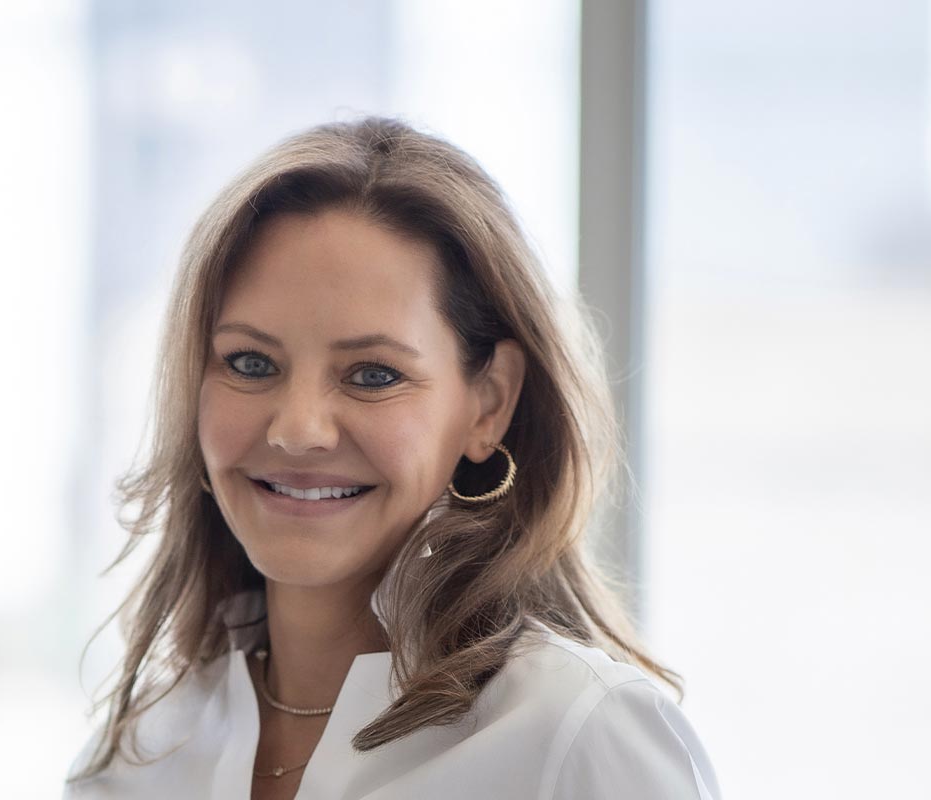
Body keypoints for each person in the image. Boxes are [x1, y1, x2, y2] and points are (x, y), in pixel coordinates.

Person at [62, 116, 720, 799]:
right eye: (250, 362)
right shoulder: (135, 757)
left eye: (372, 374)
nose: (298, 430)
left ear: (489, 403)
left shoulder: (577, 736)